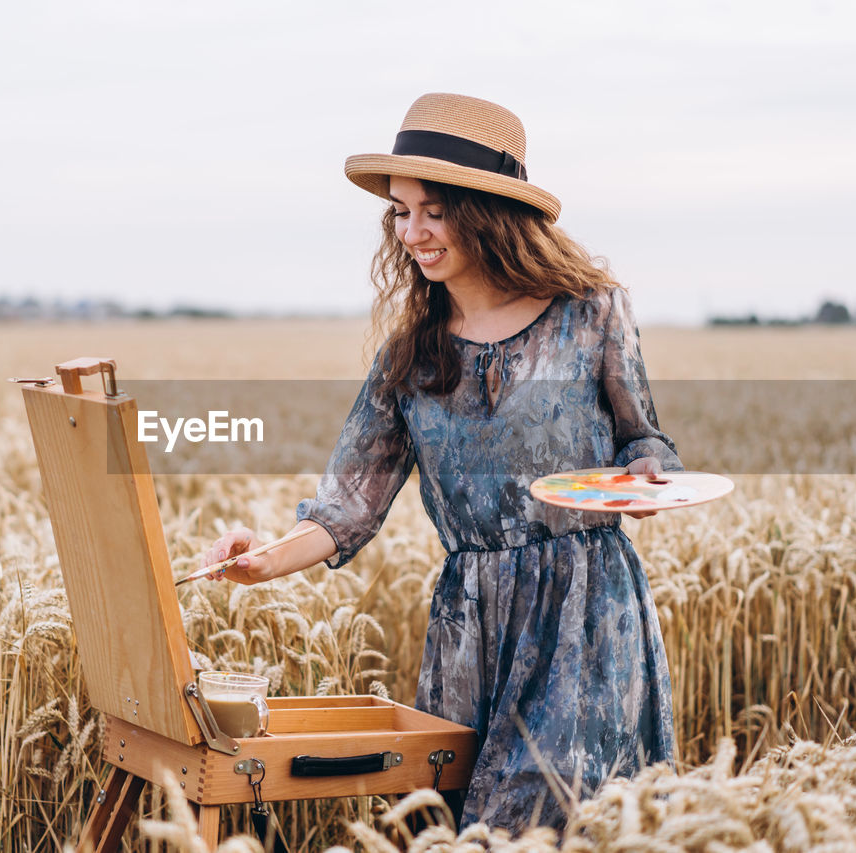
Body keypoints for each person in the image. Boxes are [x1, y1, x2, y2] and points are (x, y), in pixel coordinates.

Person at [200, 93, 678, 834]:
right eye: (400, 211)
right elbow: (347, 507)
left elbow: (645, 438)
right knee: (457, 830)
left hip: (584, 619)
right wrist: (258, 561)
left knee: (549, 824)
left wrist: (648, 475)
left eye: (434, 210)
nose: (412, 232)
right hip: (468, 633)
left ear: (487, 210)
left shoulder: (593, 312)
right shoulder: (410, 355)